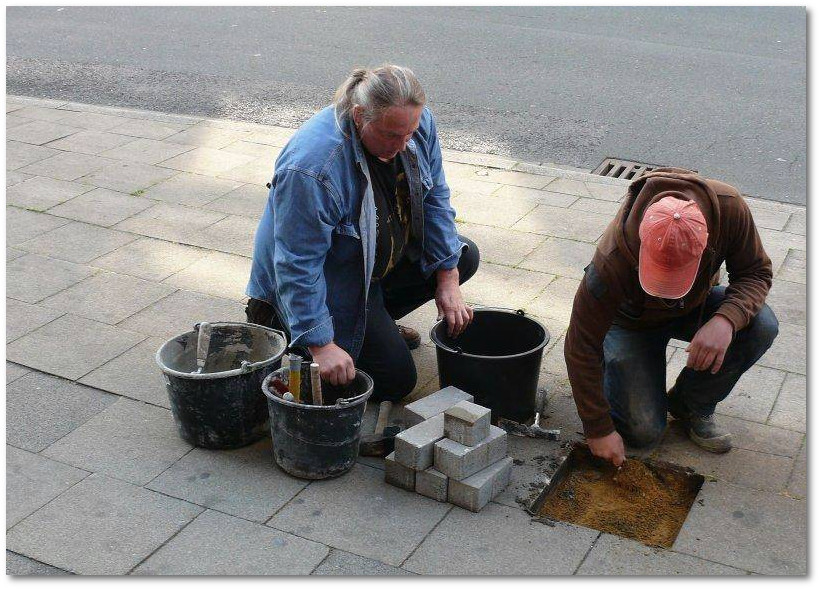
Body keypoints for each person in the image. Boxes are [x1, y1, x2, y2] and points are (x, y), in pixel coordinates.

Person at [246, 64, 479, 402]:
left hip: (370, 267)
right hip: (331, 280)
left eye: (409, 133)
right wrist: (321, 344)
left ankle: (374, 324)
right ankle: (296, 329)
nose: (402, 145)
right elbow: (297, 263)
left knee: (462, 256)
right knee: (396, 381)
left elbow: (435, 197)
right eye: (390, 135)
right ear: (359, 116)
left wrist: (448, 275)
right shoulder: (314, 167)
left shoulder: (414, 124)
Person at [564, 167, 778, 466]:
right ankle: (619, 369)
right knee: (643, 433)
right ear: (641, 244)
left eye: (675, 276)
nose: (666, 290)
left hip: (696, 305)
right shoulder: (612, 260)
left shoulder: (729, 209)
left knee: (760, 325)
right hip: (631, 322)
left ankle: (691, 404)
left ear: (705, 243)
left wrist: (726, 319)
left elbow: (755, 272)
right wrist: (598, 429)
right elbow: (579, 345)